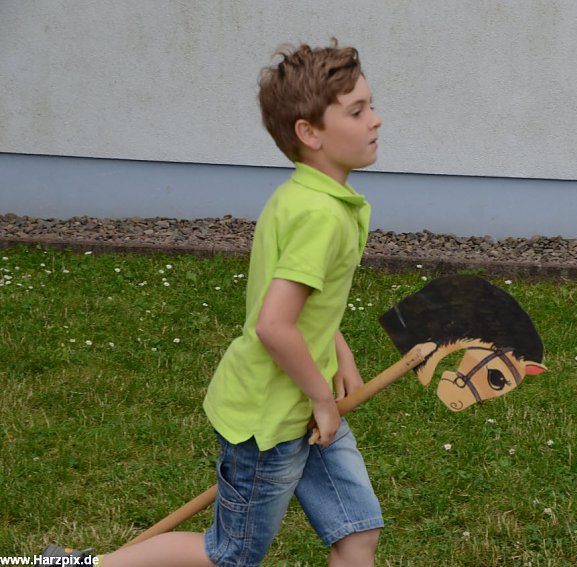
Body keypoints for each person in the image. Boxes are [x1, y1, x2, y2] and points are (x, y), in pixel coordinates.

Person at [42, 38, 384, 567]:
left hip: (304, 407)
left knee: (357, 533)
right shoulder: (320, 216)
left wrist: (339, 355)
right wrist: (320, 396)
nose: (375, 120)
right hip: (270, 420)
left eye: (371, 105)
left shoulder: (311, 197)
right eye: (357, 111)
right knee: (229, 554)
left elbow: (306, 307)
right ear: (309, 132)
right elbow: (274, 325)